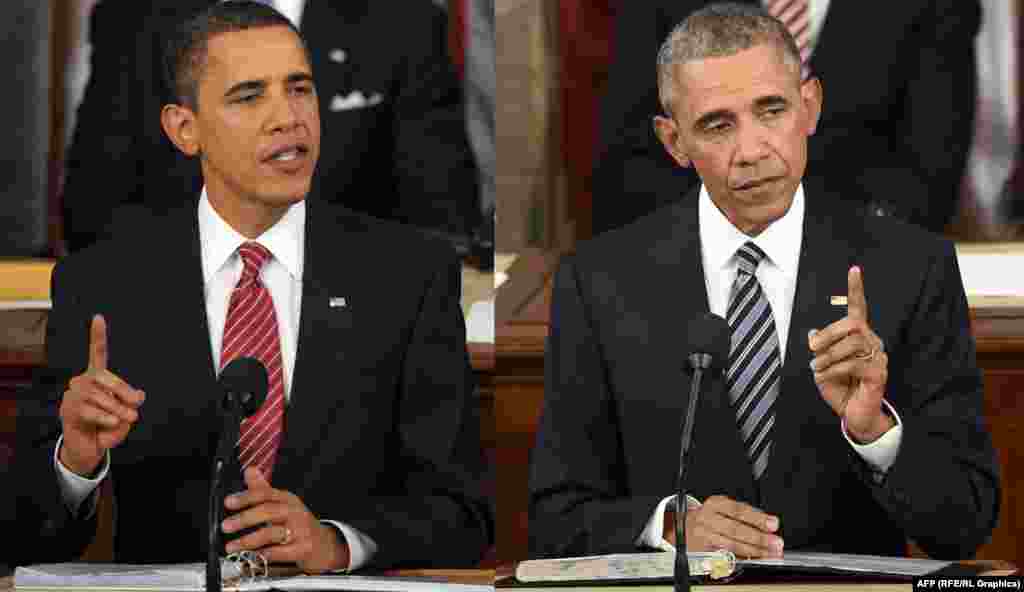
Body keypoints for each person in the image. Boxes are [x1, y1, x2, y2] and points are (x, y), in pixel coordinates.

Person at [14, 1, 490, 571]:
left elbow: (463, 514)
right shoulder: (102, 285)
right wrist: (76, 463)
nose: (287, 117)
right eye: (249, 96)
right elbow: (23, 536)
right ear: (184, 129)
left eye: (300, 89)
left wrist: (336, 542)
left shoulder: (409, 274)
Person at [529, 3, 999, 561]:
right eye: (717, 124)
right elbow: (554, 518)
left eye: (771, 110)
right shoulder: (598, 282)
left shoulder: (911, 269)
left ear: (810, 106)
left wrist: (876, 433)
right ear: (673, 141)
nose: (751, 152)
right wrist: (669, 527)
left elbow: (966, 523)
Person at [61, 0, 481, 254]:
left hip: (353, 325)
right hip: (172, 317)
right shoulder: (133, 19)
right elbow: (94, 211)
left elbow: (440, 221)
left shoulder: (405, 20)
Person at [591, 0, 980, 236]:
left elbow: (928, 174)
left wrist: (812, 256)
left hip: (864, 273)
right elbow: (630, 160)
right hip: (697, 275)